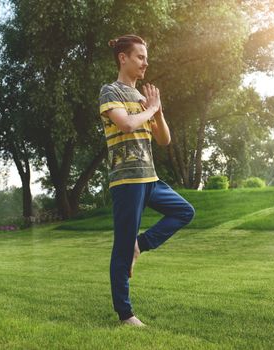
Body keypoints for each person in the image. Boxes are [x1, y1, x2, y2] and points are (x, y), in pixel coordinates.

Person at [98, 34, 195, 327]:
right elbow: (126, 125)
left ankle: (140, 244)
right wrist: (150, 110)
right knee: (121, 247)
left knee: (184, 211)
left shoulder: (144, 99)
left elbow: (164, 139)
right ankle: (125, 314)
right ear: (123, 58)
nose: (145, 63)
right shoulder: (110, 91)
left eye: (146, 58)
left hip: (149, 177)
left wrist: (158, 110)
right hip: (126, 181)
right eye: (140, 57)